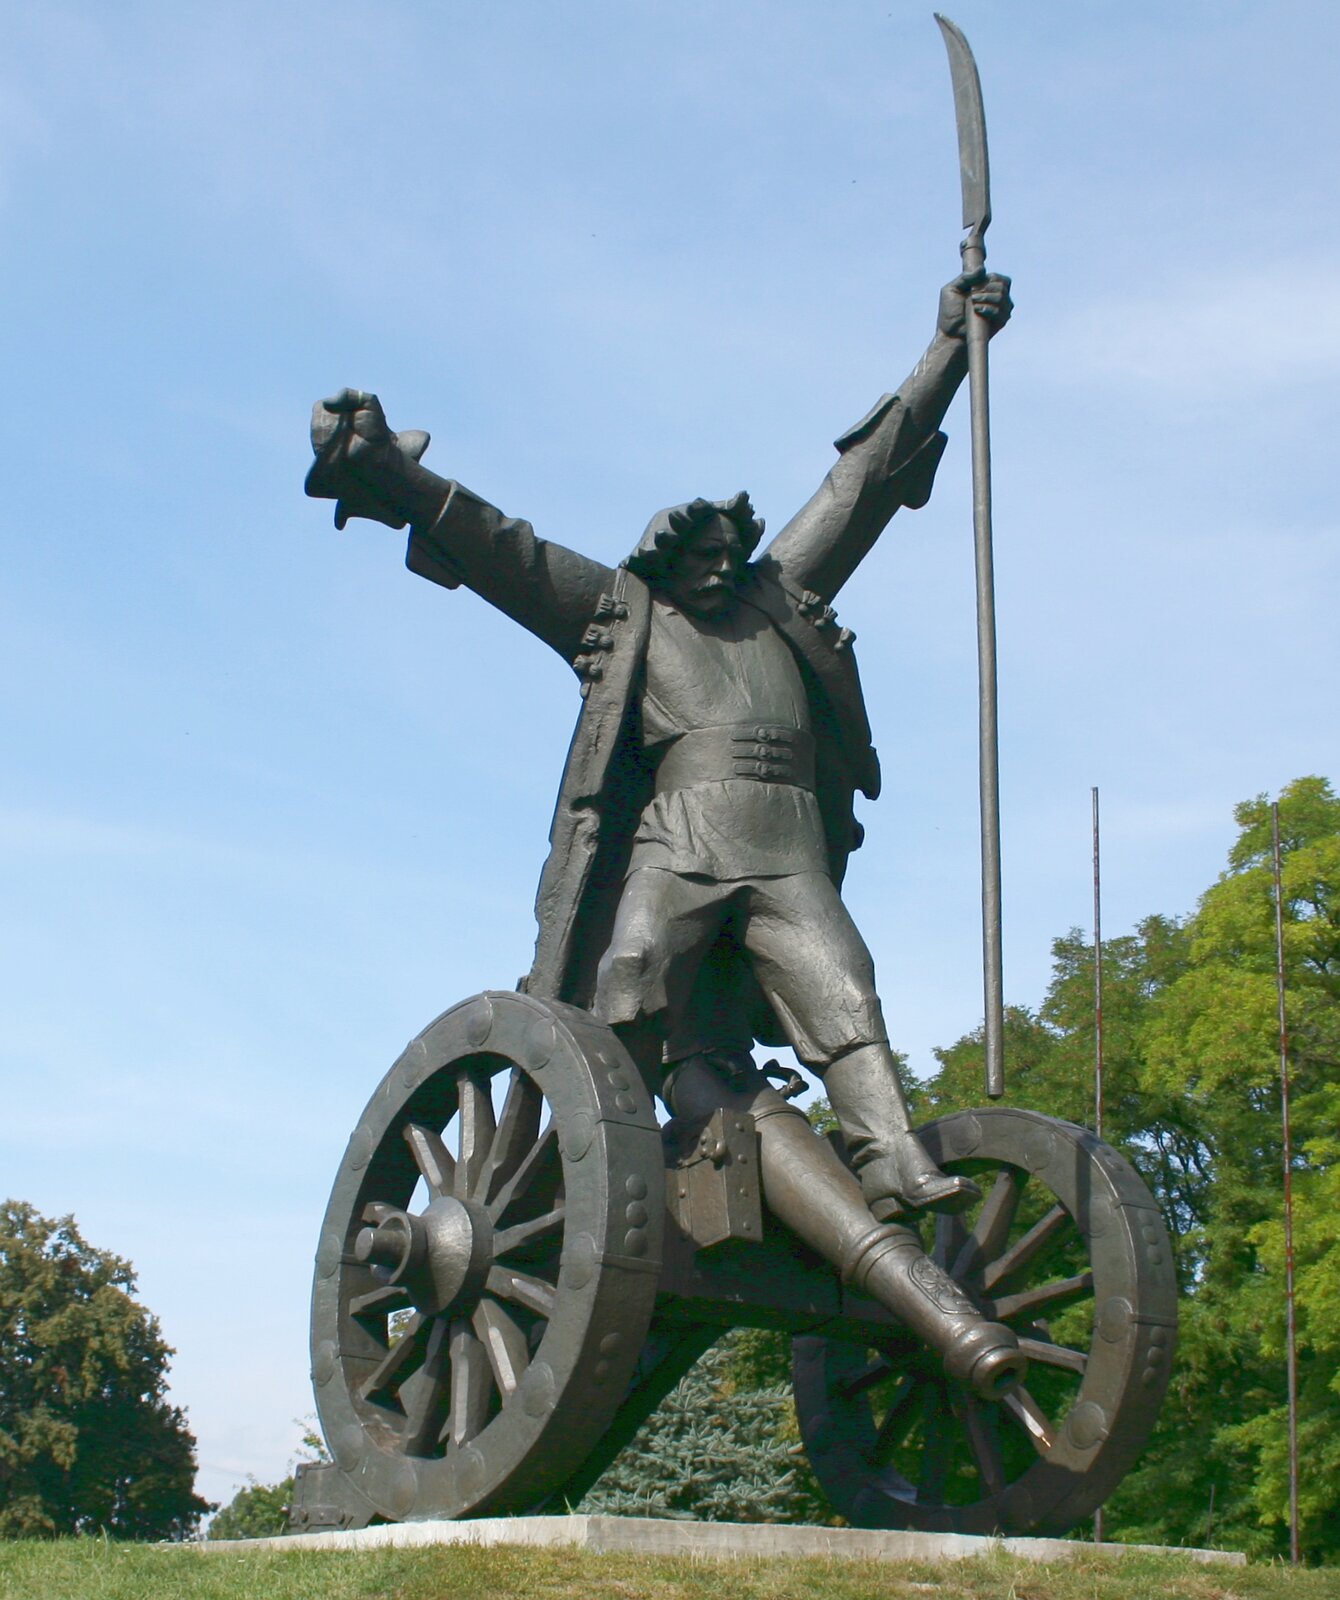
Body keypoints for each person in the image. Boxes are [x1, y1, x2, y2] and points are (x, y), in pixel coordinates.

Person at [307, 269, 1012, 1220]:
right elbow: (505, 549)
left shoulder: (779, 596)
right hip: (678, 838)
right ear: (663, 561)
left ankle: (891, 1160)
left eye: (732, 550)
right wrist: (391, 470)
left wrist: (947, 351)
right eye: (701, 555)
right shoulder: (623, 613)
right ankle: (606, 1165)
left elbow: (862, 484)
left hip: (785, 839)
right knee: (629, 973)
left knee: (846, 987)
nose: (722, 568)